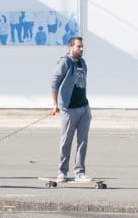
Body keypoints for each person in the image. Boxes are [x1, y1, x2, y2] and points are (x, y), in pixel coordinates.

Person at [50, 36, 92, 183]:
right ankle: (62, 172)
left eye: (82, 46)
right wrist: (55, 104)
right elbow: (54, 83)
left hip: (84, 108)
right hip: (69, 109)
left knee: (83, 141)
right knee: (66, 141)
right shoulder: (65, 62)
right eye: (78, 46)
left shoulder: (83, 63)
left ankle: (80, 172)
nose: (81, 49)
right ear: (70, 47)